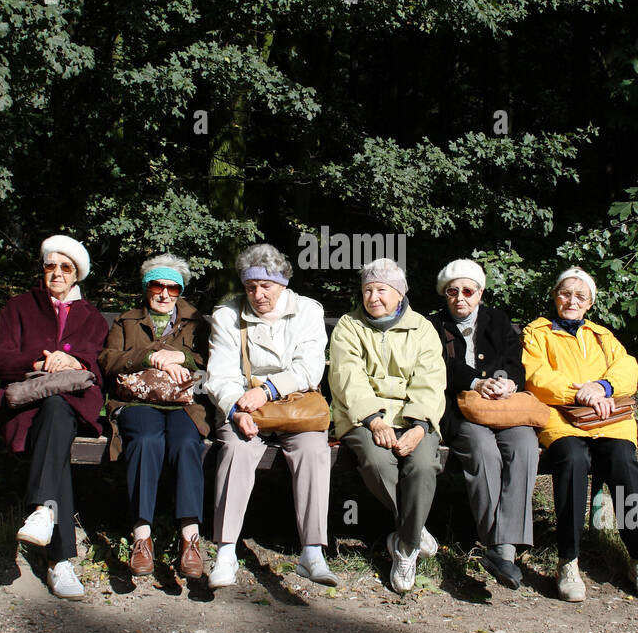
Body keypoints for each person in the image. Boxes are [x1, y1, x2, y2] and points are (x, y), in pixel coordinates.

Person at [522, 266, 638, 601]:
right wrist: (579, 393)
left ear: (590, 303)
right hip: (563, 419)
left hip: (607, 418)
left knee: (624, 462)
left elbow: (628, 367)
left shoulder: (602, 335)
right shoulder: (537, 332)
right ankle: (567, 559)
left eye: (580, 296)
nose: (572, 300)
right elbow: (535, 375)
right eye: (566, 293)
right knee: (571, 459)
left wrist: (602, 387)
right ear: (556, 297)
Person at [202, 244, 335, 588]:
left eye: (267, 286)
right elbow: (220, 374)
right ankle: (226, 551)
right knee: (236, 450)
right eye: (251, 287)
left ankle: (312, 552)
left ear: (283, 285)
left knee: (314, 451)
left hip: (295, 405)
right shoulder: (227, 315)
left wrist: (269, 390)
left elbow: (310, 366)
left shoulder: (307, 310)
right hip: (245, 406)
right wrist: (233, 408)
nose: (258, 294)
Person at [0, 235, 109, 600]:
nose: (56, 273)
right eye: (50, 266)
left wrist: (74, 361)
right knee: (54, 433)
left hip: (72, 407)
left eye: (65, 267)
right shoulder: (19, 307)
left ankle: (42, 510)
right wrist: (37, 363)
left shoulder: (92, 318)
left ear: (77, 275)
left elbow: (101, 369)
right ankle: (61, 562)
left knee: (58, 408)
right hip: (27, 407)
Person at [329, 258, 445, 594]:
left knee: (422, 464)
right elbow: (346, 377)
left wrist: (420, 425)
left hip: (413, 416)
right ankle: (414, 533)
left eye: (381, 290)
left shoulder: (422, 328)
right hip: (361, 415)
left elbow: (431, 380)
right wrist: (373, 419)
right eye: (367, 290)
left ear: (399, 294)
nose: (373, 297)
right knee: (378, 461)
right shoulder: (348, 327)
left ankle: (404, 545)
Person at [427, 259, 540, 589]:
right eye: (452, 291)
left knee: (524, 445)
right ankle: (498, 547)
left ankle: (503, 549)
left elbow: (514, 363)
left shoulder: (497, 320)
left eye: (467, 291)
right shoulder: (433, 325)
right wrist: (476, 382)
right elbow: (437, 367)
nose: (460, 297)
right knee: (482, 449)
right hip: (460, 410)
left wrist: (509, 384)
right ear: (444, 295)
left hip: (504, 409)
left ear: (479, 293)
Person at [98, 255, 209, 580]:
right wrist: (149, 356)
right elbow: (108, 360)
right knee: (145, 439)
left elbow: (209, 362)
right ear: (147, 287)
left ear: (180, 290)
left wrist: (182, 356)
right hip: (137, 402)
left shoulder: (196, 322)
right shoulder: (126, 320)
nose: (164, 293)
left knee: (187, 442)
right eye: (157, 285)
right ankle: (141, 536)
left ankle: (190, 539)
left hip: (184, 404)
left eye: (172, 287)